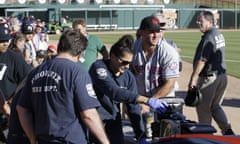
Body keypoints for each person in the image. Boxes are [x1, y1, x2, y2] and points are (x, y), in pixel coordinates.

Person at [16, 30, 110, 144]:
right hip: (70, 139)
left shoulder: (35, 72)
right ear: (81, 53)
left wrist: (32, 138)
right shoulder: (77, 72)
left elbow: (22, 109)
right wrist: (105, 142)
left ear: (59, 46)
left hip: (43, 139)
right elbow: (88, 114)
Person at [89, 34, 168, 144]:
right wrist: (147, 100)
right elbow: (113, 92)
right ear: (112, 57)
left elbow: (133, 107)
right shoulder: (99, 68)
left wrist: (140, 134)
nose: (127, 66)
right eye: (124, 61)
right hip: (94, 122)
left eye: (129, 63)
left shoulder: (128, 76)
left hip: (113, 121)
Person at [131, 16, 180, 138]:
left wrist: (150, 102)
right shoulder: (133, 49)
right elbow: (129, 77)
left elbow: (170, 83)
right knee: (140, 136)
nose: (155, 35)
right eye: (151, 32)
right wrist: (132, 101)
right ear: (142, 32)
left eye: (158, 31)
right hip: (141, 103)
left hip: (163, 104)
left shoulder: (168, 52)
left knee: (163, 138)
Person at [188, 11, 234, 135]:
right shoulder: (218, 34)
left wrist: (193, 78)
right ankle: (227, 130)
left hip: (210, 78)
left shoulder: (208, 37)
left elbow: (202, 60)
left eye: (201, 21)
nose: (198, 23)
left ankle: (205, 136)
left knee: (203, 109)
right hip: (222, 76)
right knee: (215, 106)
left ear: (210, 22)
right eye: (198, 20)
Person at [0, 24, 32, 143]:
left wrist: (14, 99)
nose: (5, 43)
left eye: (6, 40)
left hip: (8, 111)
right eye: (1, 40)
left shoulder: (14, 58)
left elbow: (27, 80)